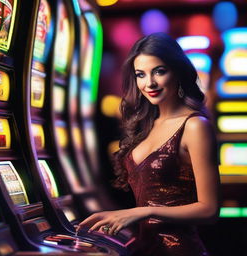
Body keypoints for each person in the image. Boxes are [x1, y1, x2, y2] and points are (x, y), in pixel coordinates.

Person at [79, 32, 220, 256]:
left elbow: (209, 209)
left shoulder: (195, 126)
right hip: (145, 248)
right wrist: (116, 215)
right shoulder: (145, 125)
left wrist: (143, 212)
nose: (149, 83)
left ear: (178, 72)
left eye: (159, 71)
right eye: (140, 75)